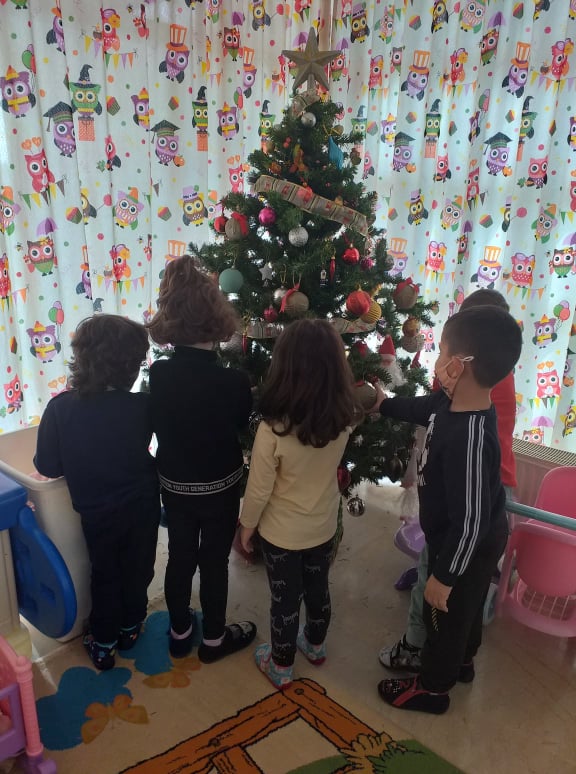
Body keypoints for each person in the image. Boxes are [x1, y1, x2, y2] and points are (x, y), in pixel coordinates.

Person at [375, 305, 522, 713]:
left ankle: (433, 689)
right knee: (466, 610)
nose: (437, 361)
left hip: (467, 545)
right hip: (461, 539)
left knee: (443, 616)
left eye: (441, 352)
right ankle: (463, 664)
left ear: (458, 365)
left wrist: (443, 576)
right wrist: (384, 405)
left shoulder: (469, 438)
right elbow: (422, 407)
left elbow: (471, 522)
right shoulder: (449, 403)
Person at [34, 314, 161, 671]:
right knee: (139, 567)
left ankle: (103, 644)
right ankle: (130, 627)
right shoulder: (143, 405)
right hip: (143, 503)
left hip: (98, 511)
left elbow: (48, 467)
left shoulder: (60, 408)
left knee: (105, 572)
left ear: (81, 359)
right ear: (130, 367)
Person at [146, 256, 256, 662]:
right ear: (217, 320)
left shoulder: (159, 374)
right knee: (214, 561)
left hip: (175, 485)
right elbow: (241, 425)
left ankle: (179, 632)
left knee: (179, 556)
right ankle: (213, 639)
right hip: (221, 486)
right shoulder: (235, 381)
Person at [239, 319, 359, 689]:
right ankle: (316, 645)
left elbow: (258, 489)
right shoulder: (345, 420)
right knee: (318, 589)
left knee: (285, 600)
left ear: (284, 369)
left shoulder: (272, 430)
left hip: (281, 535)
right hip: (323, 526)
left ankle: (281, 664)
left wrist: (246, 527)